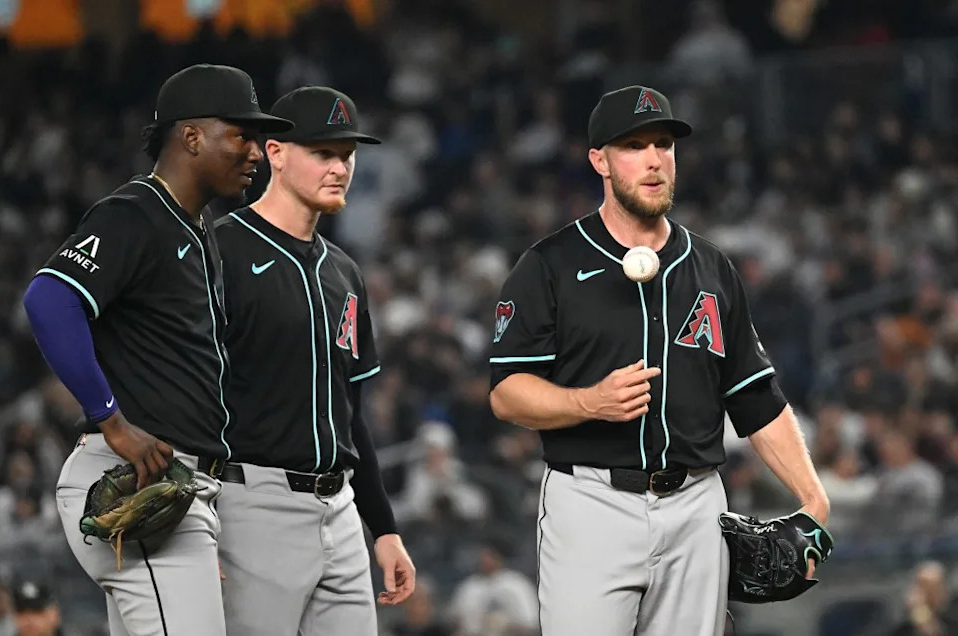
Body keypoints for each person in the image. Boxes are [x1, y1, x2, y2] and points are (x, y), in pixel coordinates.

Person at [488, 85, 831, 636]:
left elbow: (755, 395)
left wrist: (814, 497)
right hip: (591, 503)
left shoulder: (713, 268)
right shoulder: (549, 265)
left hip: (697, 507)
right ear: (599, 159)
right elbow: (506, 392)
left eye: (664, 144)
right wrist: (589, 402)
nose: (654, 159)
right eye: (633, 145)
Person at [22, 64, 293, 636]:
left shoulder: (198, 231)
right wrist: (110, 419)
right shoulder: (136, 213)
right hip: (133, 473)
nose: (256, 152)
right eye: (241, 135)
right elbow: (49, 299)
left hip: (181, 487)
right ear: (191, 136)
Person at [211, 86, 415, 635]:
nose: (340, 167)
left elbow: (350, 413)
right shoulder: (220, 250)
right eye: (323, 152)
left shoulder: (343, 272)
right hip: (250, 504)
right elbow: (184, 390)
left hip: (341, 510)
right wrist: (197, 517)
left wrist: (384, 527)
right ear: (275, 152)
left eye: (347, 155)